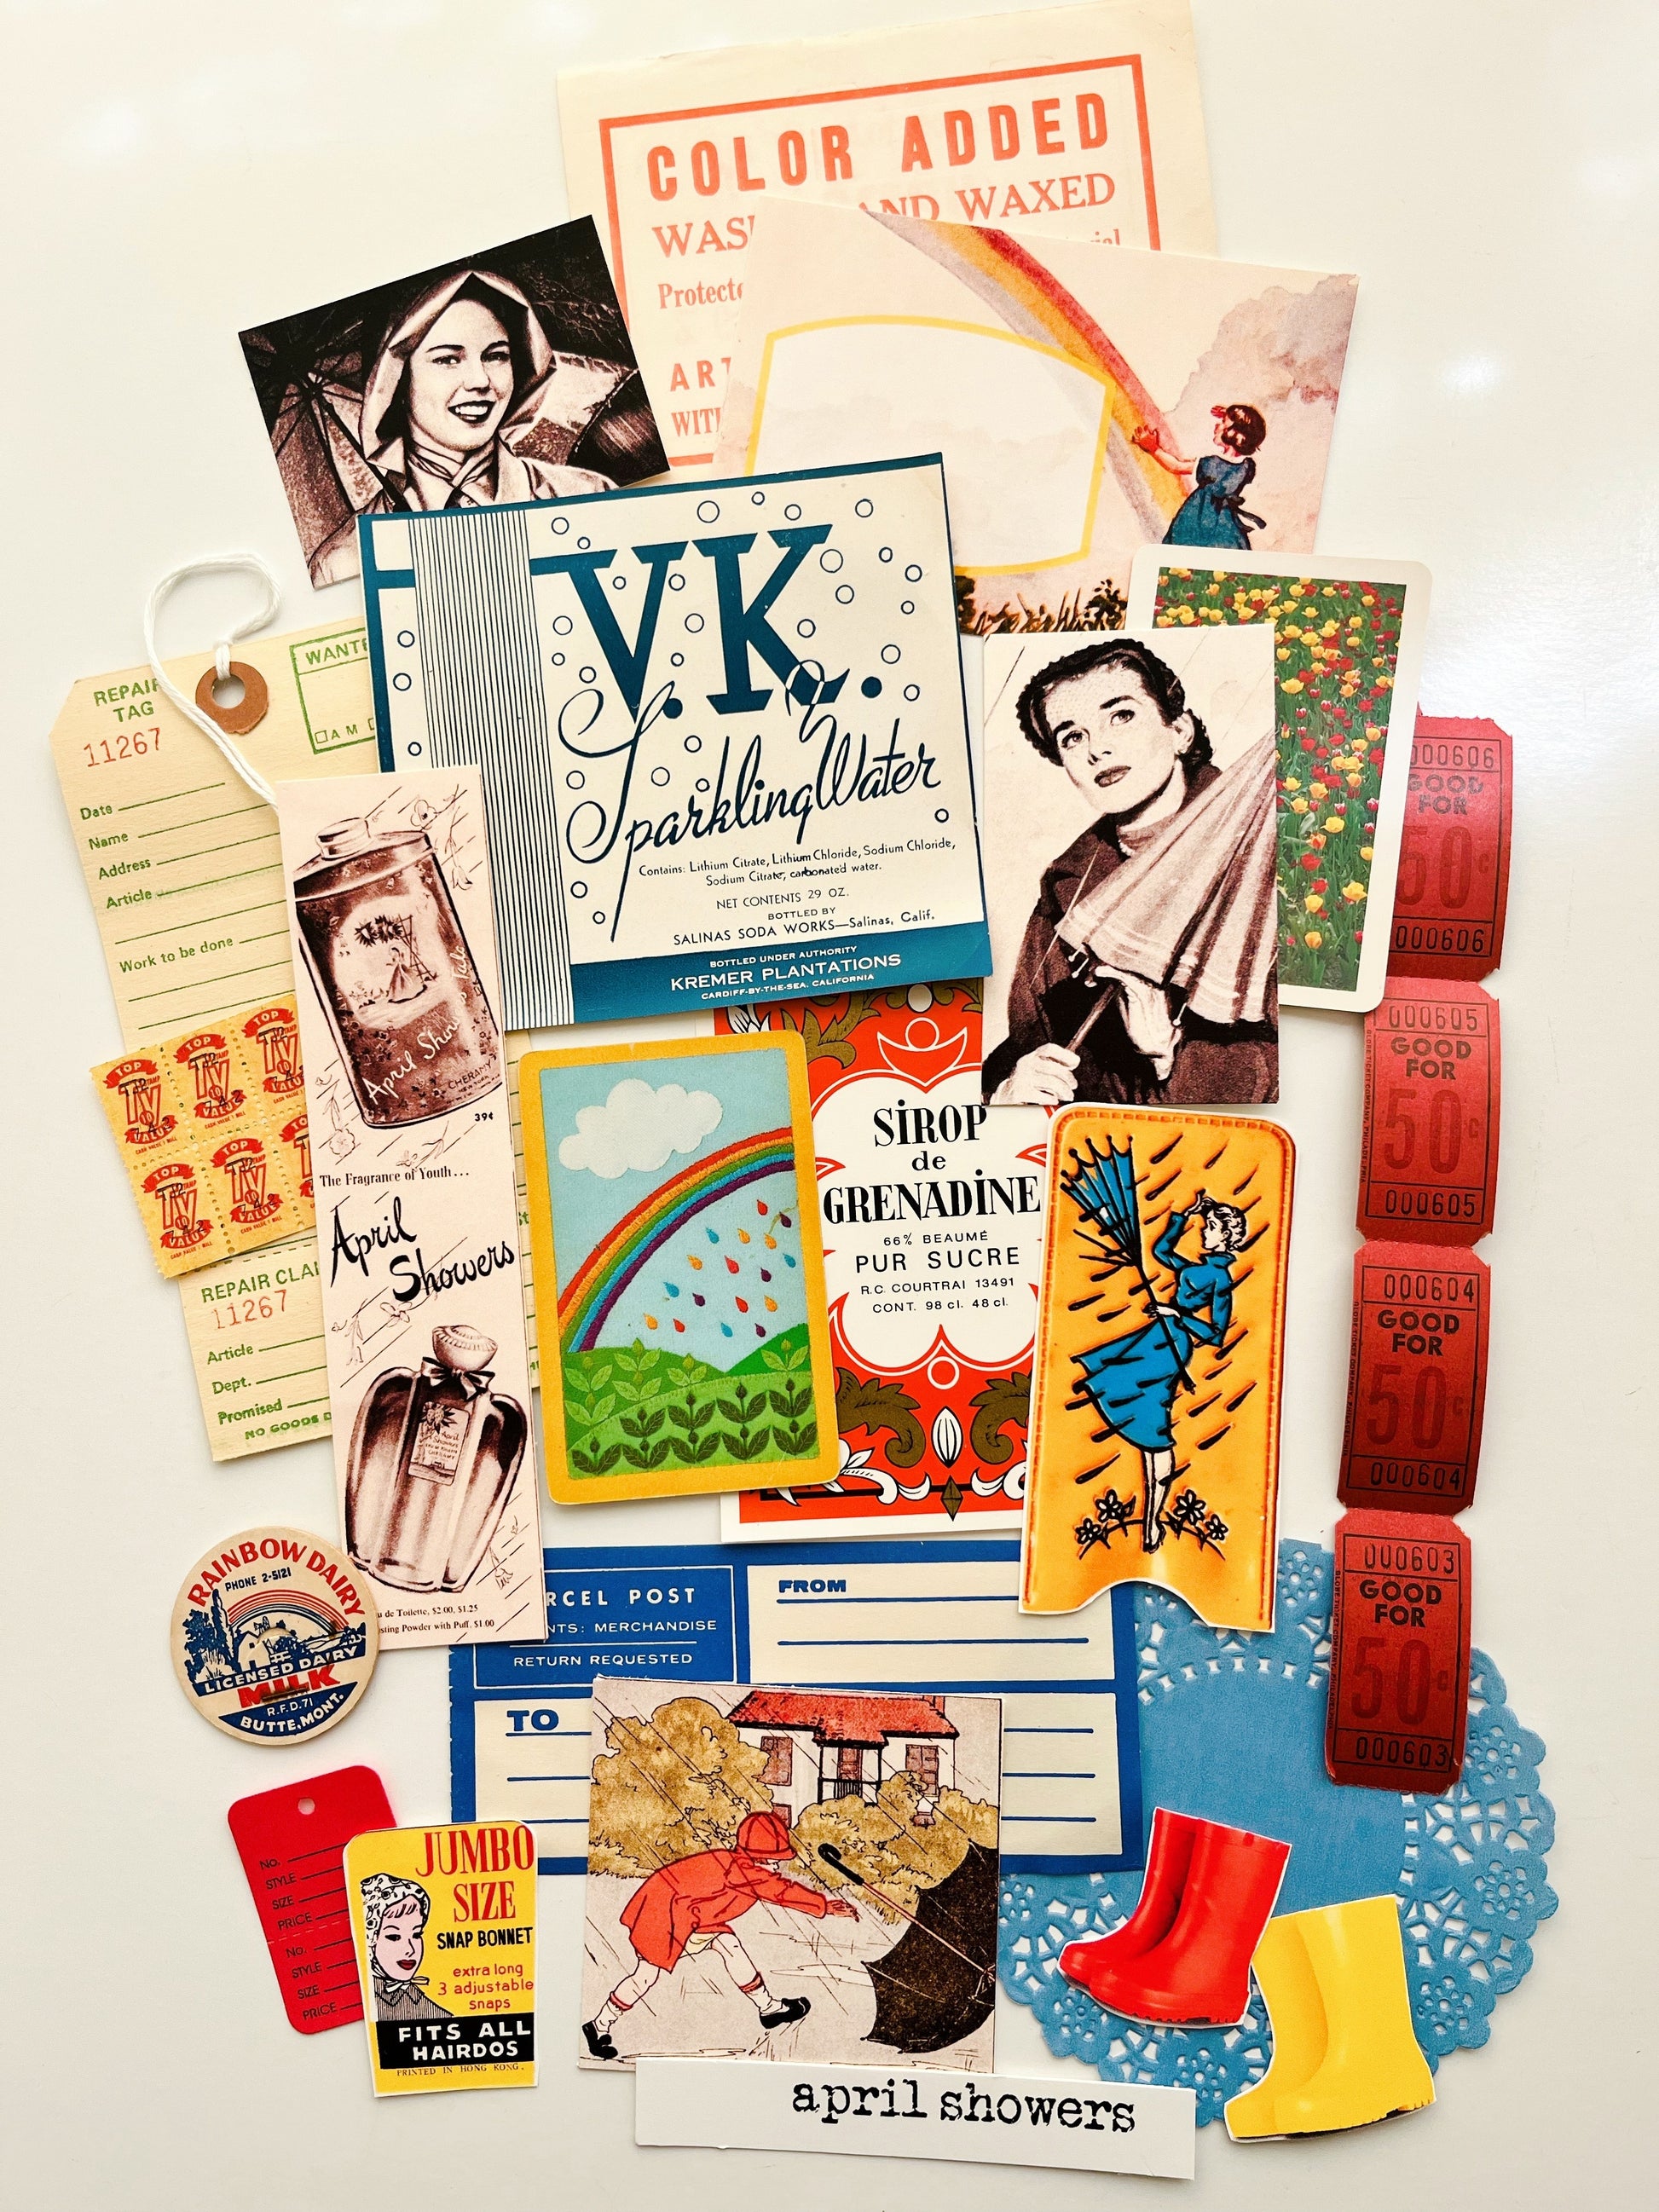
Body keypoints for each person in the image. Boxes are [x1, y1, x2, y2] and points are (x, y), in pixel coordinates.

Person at [981, 638, 1277, 1107]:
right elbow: (1028, 1038)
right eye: (1072, 737)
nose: (1097, 749)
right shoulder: (1066, 886)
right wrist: (1009, 1088)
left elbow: (1294, 1060)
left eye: (1121, 716)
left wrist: (1166, 1053)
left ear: (1179, 731)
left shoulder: (1266, 848)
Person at [308, 268, 612, 577]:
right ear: (396, 379)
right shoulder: (346, 562)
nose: (480, 380)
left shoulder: (588, 498)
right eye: (447, 359)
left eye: (496, 356)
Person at [581, 1810, 857, 2060]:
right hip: (662, 1919)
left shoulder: (738, 1864)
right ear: (758, 1857)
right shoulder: (744, 1872)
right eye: (774, 1862)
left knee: (729, 1944)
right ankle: (598, 2026)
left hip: (689, 1916)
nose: (777, 1868)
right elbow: (781, 1891)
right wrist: (825, 1906)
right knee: (645, 1976)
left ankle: (769, 2008)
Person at [1074, 1193, 1250, 1550]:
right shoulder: (1195, 1267)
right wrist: (1183, 1215)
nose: (1204, 1232)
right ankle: (1150, 1518)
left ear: (1226, 1237)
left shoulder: (1220, 1277)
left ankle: (1153, 1520)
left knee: (1155, 1429)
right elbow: (1161, 1252)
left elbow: (1217, 1334)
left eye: (1211, 1228)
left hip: (1172, 1346)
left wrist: (1177, 1315)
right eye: (1206, 1225)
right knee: (1125, 1390)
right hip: (1155, 1337)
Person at [1133, 403, 1268, 549]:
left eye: (1223, 422)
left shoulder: (1212, 464)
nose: (1217, 425)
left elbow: (1176, 466)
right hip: (1226, 523)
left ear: (1235, 434)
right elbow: (1247, 432)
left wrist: (1153, 448)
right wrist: (1235, 418)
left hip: (1199, 518)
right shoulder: (1247, 466)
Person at [360, 1873, 453, 2023]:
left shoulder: (433, 2011)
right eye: (394, 1937)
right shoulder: (361, 1999)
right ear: (371, 1938)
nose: (410, 1950)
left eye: (416, 1935)